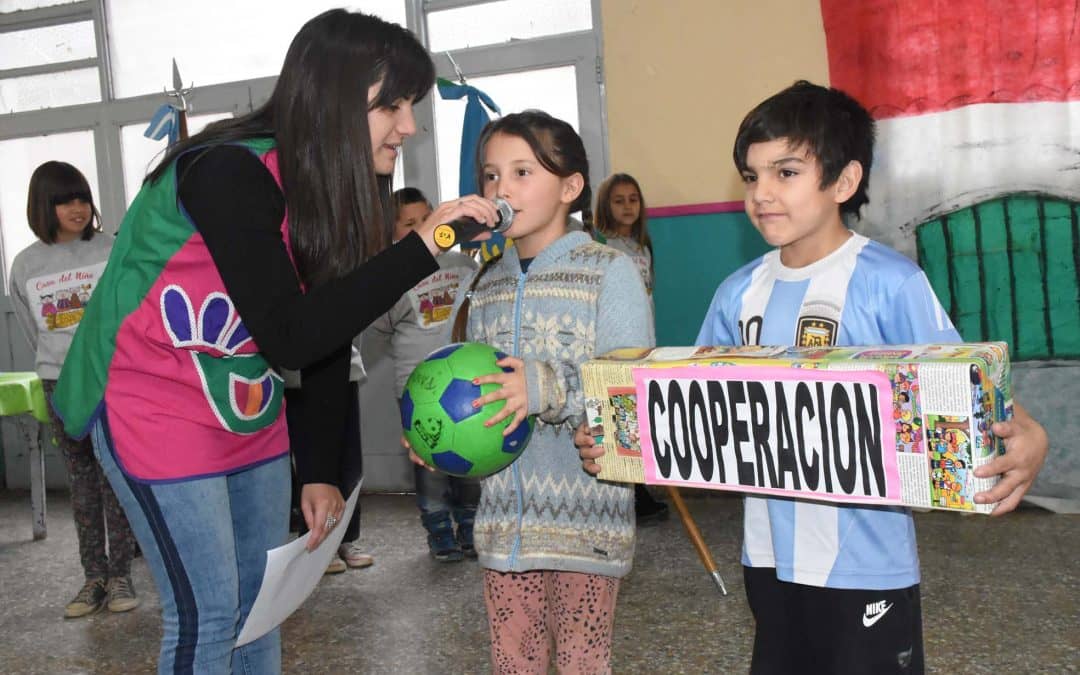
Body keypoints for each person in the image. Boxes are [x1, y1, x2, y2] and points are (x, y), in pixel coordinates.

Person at [51, 10, 498, 673]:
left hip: (243, 406)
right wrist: (424, 245)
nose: (409, 125)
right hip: (150, 402)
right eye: (394, 105)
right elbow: (290, 334)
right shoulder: (225, 170)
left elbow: (327, 323)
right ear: (336, 98)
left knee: (260, 610)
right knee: (207, 616)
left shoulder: (331, 186)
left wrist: (318, 469)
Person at [577, 81, 1049, 674]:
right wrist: (615, 441)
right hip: (768, 559)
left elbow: (970, 388)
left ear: (843, 182)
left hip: (867, 566)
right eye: (752, 177)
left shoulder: (890, 283)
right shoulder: (736, 294)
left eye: (786, 172)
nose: (762, 194)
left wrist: (1031, 434)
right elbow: (689, 411)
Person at [410, 110, 654, 673]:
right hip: (502, 526)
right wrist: (438, 432)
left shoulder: (608, 270)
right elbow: (470, 393)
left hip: (585, 520)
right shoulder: (485, 282)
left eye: (522, 173)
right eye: (491, 176)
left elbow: (628, 391)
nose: (502, 189)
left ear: (570, 188)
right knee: (512, 661)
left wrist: (542, 388)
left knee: (581, 661)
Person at [9, 161, 139, 618]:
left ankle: (122, 575)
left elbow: (130, 312)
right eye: (65, 200)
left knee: (114, 478)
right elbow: (32, 332)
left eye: (82, 198)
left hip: (111, 381)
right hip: (58, 381)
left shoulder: (110, 249)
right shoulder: (25, 264)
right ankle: (93, 579)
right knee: (82, 483)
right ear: (45, 206)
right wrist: (58, 368)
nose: (78, 208)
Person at [371, 187, 480, 562]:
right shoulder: (393, 274)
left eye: (426, 218)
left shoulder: (463, 265)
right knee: (430, 462)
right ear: (394, 233)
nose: (422, 228)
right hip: (417, 387)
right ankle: (438, 530)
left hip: (464, 382)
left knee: (468, 455)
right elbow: (381, 326)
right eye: (409, 224)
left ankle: (470, 525)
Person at [593, 173, 670, 524]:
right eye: (619, 200)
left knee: (639, 417)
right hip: (617, 347)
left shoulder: (643, 247)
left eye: (633, 199)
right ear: (606, 206)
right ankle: (630, 494)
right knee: (619, 417)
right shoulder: (603, 249)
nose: (627, 206)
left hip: (644, 343)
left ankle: (637, 489)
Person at [283, 338, 373, 574]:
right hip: (295, 380)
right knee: (310, 469)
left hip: (342, 375)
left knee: (347, 466)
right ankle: (319, 541)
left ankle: (344, 538)